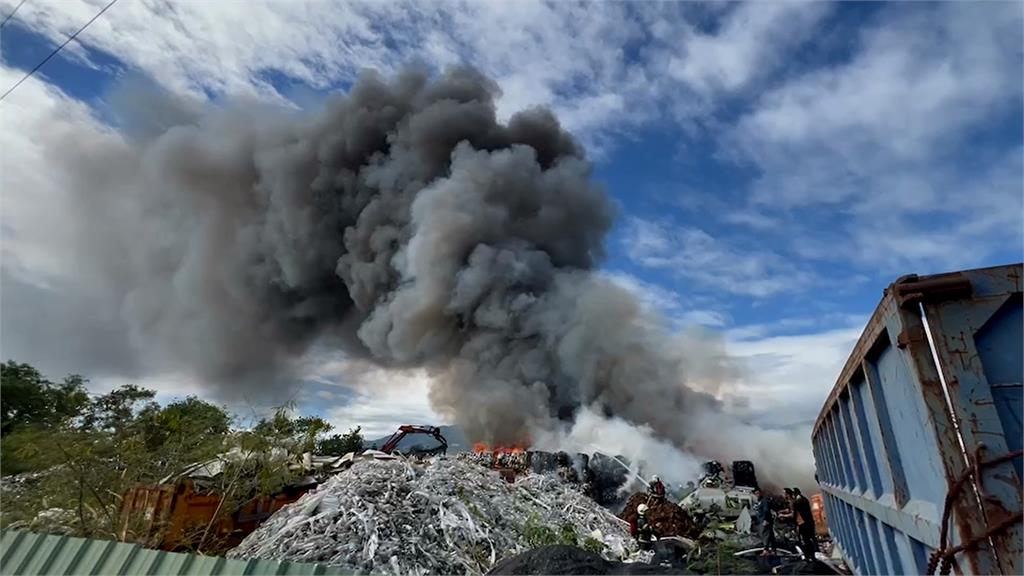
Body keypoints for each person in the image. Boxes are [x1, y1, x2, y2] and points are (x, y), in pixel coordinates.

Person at [791, 488, 818, 561]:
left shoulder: (796, 502)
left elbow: (794, 515)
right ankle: (813, 555)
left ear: (794, 494)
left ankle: (808, 556)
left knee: (805, 541)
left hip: (803, 524)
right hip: (810, 522)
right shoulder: (805, 499)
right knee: (811, 539)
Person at [753, 489, 775, 556]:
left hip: (765, 520)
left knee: (765, 534)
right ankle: (773, 550)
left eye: (758, 493)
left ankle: (766, 550)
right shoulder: (758, 502)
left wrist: (766, 519)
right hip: (761, 520)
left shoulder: (764, 501)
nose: (757, 494)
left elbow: (766, 510)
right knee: (770, 535)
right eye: (756, 493)